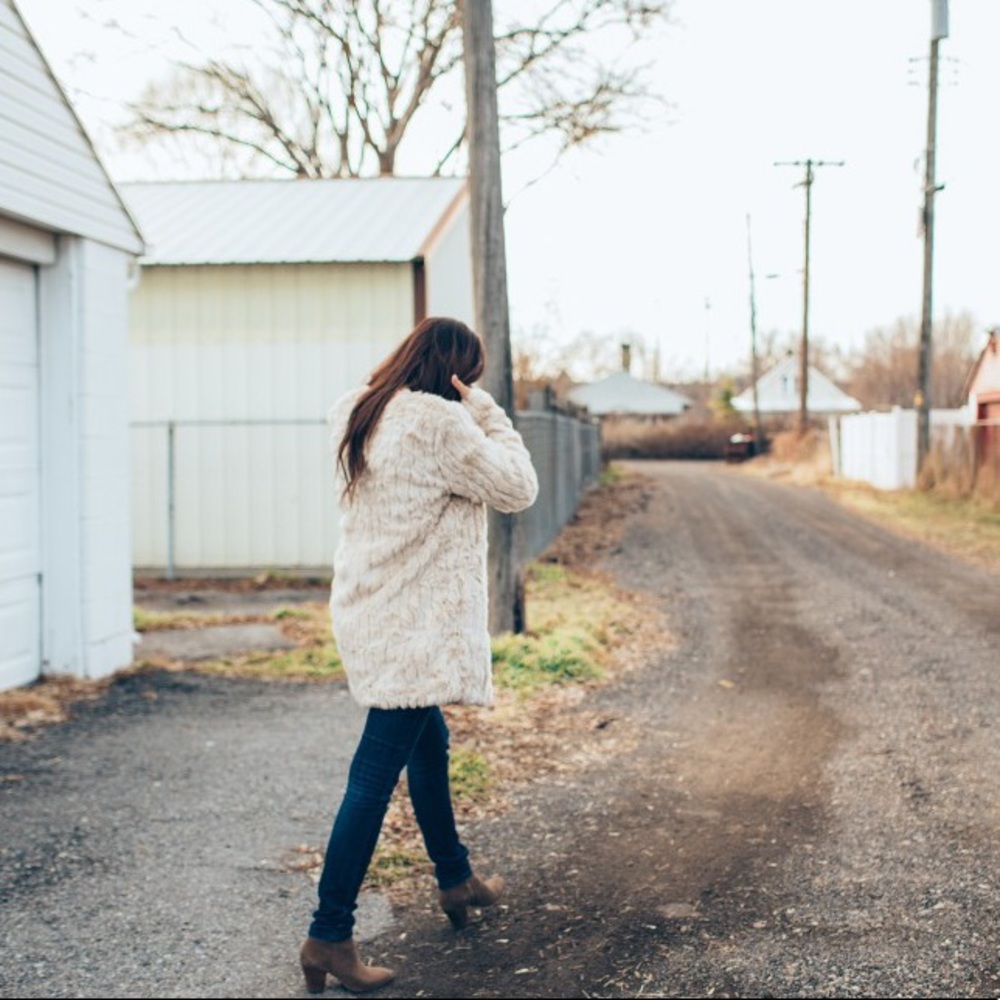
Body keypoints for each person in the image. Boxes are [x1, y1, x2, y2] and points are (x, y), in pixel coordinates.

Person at [300, 317, 539, 994]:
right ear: (458, 374)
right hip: (413, 627)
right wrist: (486, 411)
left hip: (371, 611)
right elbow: (519, 488)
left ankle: (455, 877)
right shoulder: (442, 425)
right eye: (474, 377)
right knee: (372, 779)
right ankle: (328, 934)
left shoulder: (363, 410)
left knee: (427, 743)